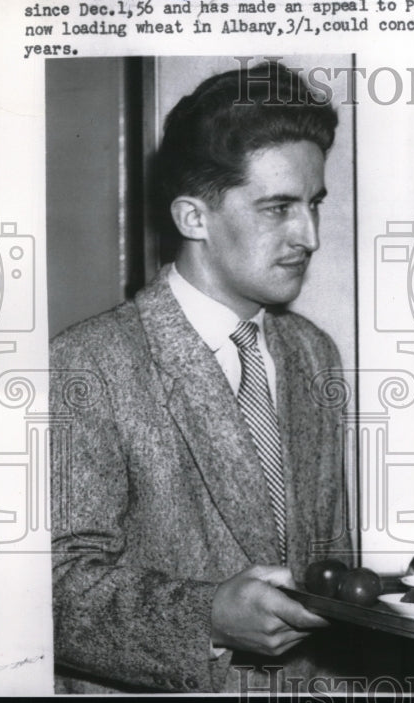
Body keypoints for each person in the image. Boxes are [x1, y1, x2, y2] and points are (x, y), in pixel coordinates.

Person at [50, 62, 351, 693]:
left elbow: (329, 566)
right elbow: (50, 589)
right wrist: (205, 615)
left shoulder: (313, 355)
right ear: (193, 217)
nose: (311, 235)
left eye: (313, 205)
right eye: (278, 208)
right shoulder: (90, 363)